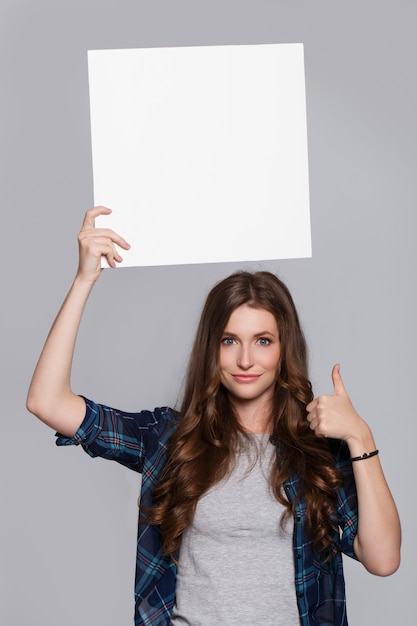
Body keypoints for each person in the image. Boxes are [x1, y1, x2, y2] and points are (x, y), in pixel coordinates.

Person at [27, 206, 401, 626]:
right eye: (229, 340)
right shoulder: (171, 440)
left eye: (262, 340)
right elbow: (47, 401)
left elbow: (383, 559)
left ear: (284, 348)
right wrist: (84, 280)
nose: (245, 359)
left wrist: (360, 436)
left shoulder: (317, 450)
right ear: (212, 347)